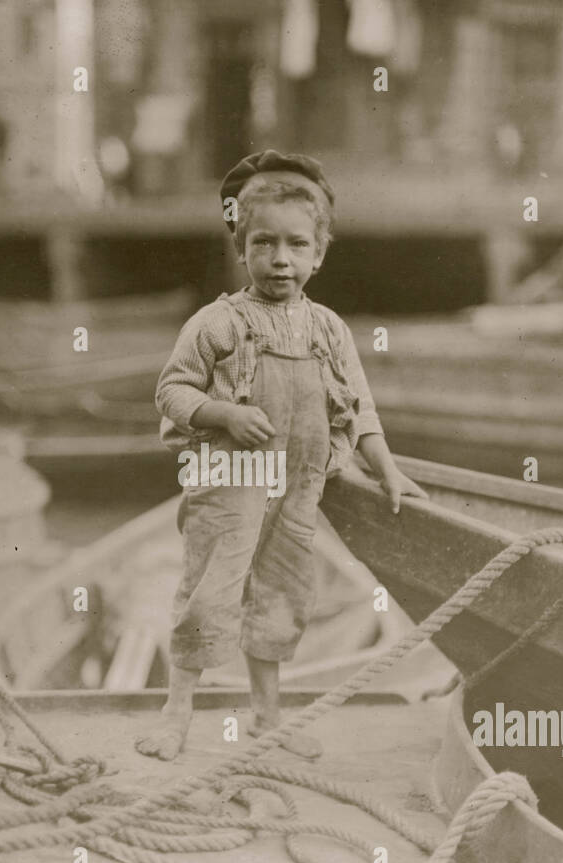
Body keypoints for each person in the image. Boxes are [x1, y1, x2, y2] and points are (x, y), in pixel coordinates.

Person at [135, 150, 426, 762]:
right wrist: (225, 414)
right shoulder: (218, 322)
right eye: (263, 242)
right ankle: (176, 713)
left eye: (297, 245)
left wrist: (389, 471)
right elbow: (172, 389)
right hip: (231, 478)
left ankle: (267, 718)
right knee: (208, 594)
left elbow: (361, 409)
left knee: (283, 597)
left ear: (319, 253)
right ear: (241, 248)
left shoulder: (329, 330)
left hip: (298, 489)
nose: (280, 259)